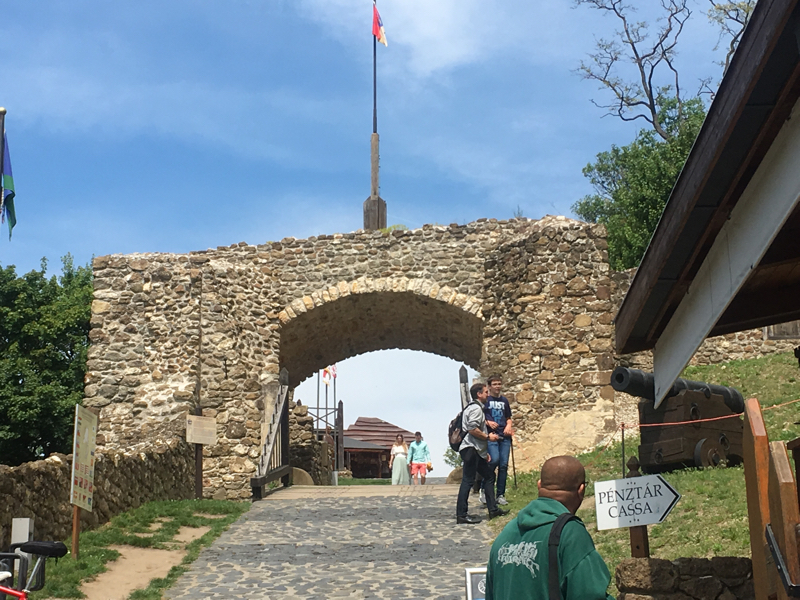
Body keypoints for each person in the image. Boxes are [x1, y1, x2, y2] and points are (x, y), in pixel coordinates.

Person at [485, 456, 614, 600]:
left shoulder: (505, 535)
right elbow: (590, 594)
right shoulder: (570, 534)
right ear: (581, 490)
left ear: (539, 485)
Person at [456, 382, 509, 524]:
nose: (488, 394)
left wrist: (484, 453)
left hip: (475, 450)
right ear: (479, 394)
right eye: (486, 392)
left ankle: (493, 510)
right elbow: (472, 429)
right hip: (471, 449)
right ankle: (461, 515)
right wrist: (488, 437)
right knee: (468, 480)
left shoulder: (472, 407)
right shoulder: (476, 409)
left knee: (489, 475)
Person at [480, 375, 514, 507]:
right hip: (491, 436)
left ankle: (500, 494)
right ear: (489, 386)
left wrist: (508, 426)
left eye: (499, 384)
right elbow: (479, 417)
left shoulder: (504, 401)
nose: (497, 386)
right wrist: (488, 422)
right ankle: (484, 489)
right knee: (494, 460)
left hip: (504, 436)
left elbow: (508, 417)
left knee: (503, 465)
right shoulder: (486, 400)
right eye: (494, 384)